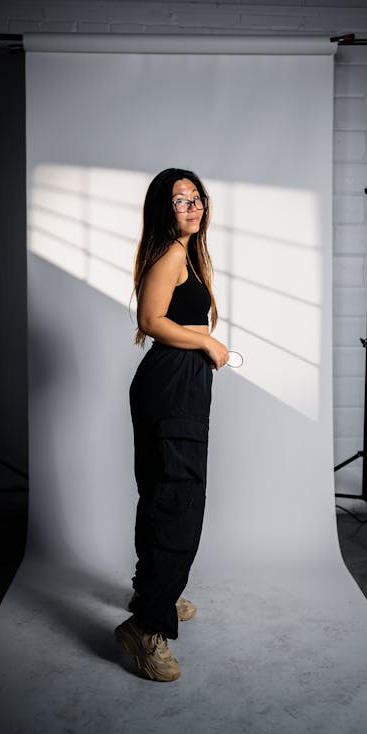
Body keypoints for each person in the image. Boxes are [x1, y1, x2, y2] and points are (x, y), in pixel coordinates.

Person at [114, 168, 229, 682]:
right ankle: (146, 627)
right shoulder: (172, 253)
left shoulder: (187, 252)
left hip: (174, 380)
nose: (193, 205)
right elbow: (150, 319)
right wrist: (206, 342)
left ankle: (151, 590)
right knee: (178, 498)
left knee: (162, 489)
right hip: (172, 379)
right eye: (181, 199)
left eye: (197, 197)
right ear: (164, 208)